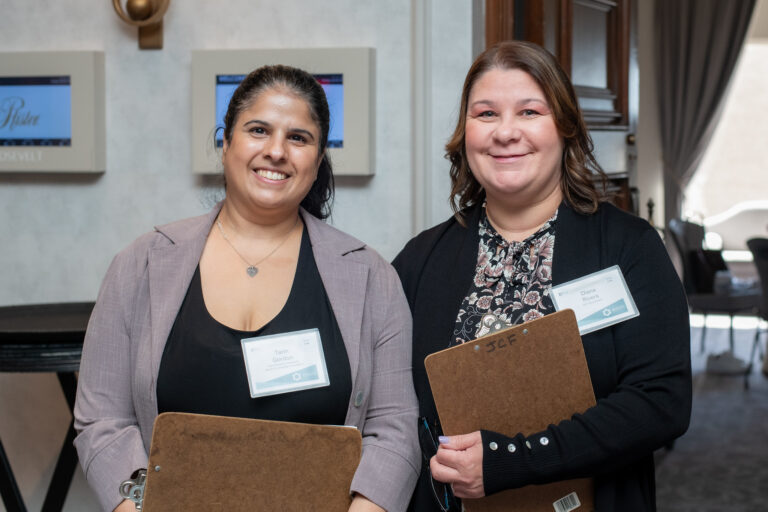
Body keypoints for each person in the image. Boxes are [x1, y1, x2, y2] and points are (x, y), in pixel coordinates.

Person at [74, 64, 419, 512]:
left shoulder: (371, 278)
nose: (276, 151)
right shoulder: (140, 265)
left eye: (298, 138)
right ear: (226, 144)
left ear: (317, 162)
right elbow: (102, 419)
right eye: (258, 130)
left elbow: (394, 429)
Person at [393, 41, 692, 511]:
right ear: (465, 133)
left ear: (565, 128)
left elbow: (661, 402)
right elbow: (390, 411)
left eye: (529, 111)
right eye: (486, 114)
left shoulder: (628, 247)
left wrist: (511, 461)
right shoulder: (420, 260)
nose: (505, 132)